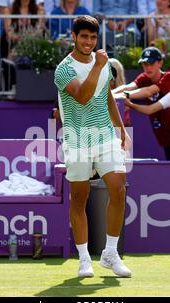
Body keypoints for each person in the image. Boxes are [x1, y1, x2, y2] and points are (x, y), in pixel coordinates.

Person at [54, 15, 132, 278]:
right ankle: (84, 258)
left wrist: (121, 129)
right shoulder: (64, 69)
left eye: (92, 37)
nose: (88, 42)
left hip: (105, 137)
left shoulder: (103, 64)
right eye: (84, 36)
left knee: (119, 188)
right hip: (76, 140)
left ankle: (110, 253)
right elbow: (83, 96)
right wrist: (99, 65)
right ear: (73, 37)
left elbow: (106, 95)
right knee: (79, 200)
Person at [112, 47, 170, 161]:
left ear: (160, 63)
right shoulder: (144, 77)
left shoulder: (169, 77)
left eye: (150, 63)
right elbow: (128, 87)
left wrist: (123, 96)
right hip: (166, 137)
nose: (147, 67)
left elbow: (147, 91)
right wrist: (109, 94)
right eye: (144, 64)